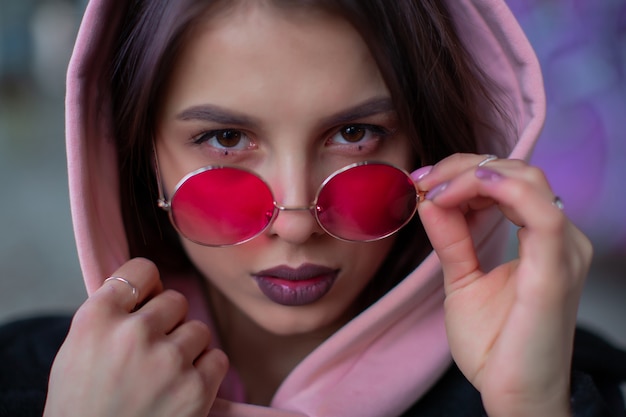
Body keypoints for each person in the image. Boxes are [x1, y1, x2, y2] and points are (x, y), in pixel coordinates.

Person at [1, 0, 625, 416]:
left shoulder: (569, 381)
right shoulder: (23, 380)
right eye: (225, 139)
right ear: (140, 158)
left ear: (427, 149)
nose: (296, 223)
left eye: (355, 134)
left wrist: (532, 405)